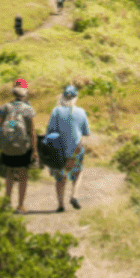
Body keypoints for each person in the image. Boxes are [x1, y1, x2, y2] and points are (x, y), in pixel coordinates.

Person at [45, 84, 91, 212]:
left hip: (59, 151)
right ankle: (74, 195)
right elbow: (86, 132)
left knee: (61, 178)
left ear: (63, 96)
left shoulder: (56, 111)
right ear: (76, 97)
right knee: (78, 172)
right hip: (76, 150)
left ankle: (60, 205)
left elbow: (50, 131)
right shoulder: (81, 112)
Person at [0, 86, 38, 213]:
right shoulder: (27, 109)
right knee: (22, 176)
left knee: (9, 173)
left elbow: (1, 126)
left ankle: (7, 202)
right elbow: (32, 130)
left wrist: (5, 140)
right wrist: (35, 150)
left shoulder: (6, 107)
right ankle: (20, 206)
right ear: (24, 96)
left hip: (8, 146)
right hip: (22, 148)